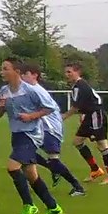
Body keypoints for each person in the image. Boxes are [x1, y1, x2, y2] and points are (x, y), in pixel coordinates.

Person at [0, 58, 64, 214]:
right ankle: (53, 207)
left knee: (12, 167)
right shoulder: (4, 91)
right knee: (32, 175)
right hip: (17, 134)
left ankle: (29, 205)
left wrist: (31, 116)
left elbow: (50, 108)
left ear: (16, 71)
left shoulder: (31, 90)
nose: (1, 72)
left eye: (5, 69)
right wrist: (1, 107)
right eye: (2, 69)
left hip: (31, 134)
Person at [19, 63, 85, 196]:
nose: (22, 77)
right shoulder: (29, 90)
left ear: (34, 75)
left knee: (50, 159)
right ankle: (54, 170)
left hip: (50, 128)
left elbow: (48, 109)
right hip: (42, 128)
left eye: (25, 74)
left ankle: (78, 187)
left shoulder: (36, 91)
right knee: (24, 154)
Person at [63, 62, 108, 185]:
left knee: (102, 144)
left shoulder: (79, 86)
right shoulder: (78, 85)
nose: (67, 75)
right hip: (90, 115)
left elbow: (75, 107)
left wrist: (63, 116)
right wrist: (84, 114)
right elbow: (85, 102)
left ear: (77, 72)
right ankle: (95, 170)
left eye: (69, 72)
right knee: (77, 142)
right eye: (66, 72)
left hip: (96, 115)